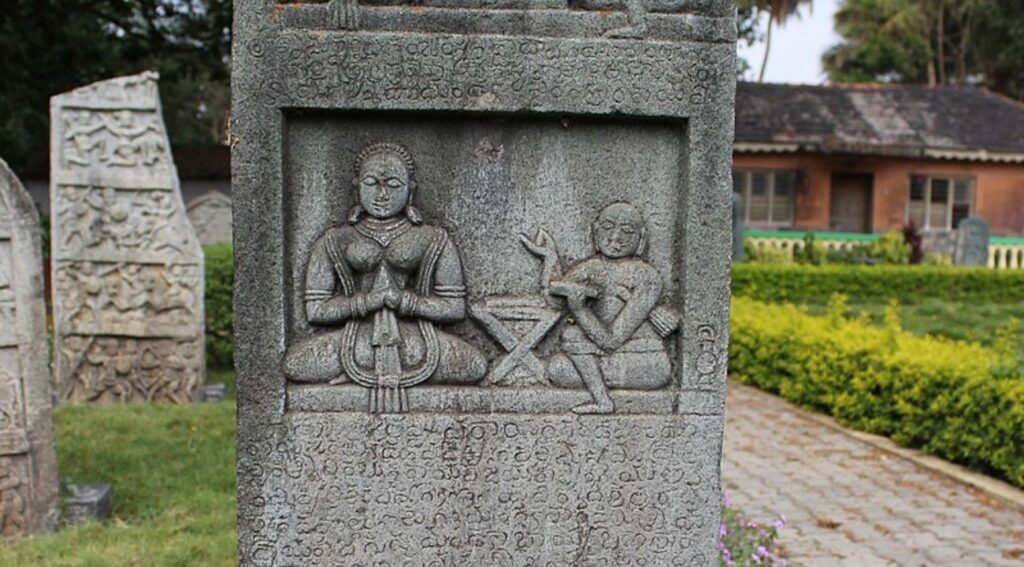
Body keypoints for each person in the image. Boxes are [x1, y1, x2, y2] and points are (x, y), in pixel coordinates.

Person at [285, 143, 486, 411]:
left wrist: (403, 301)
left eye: (393, 184)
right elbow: (316, 310)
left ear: (410, 189)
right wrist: (366, 302)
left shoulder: (433, 238)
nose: (382, 194)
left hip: (416, 341)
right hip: (355, 339)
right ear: (356, 187)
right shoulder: (335, 239)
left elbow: (455, 307)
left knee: (474, 365)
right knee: (294, 364)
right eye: (371, 183)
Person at [521, 202, 677, 414]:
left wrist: (580, 311)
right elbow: (556, 300)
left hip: (642, 360)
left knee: (573, 334)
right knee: (556, 368)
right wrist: (550, 258)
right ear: (595, 231)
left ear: (641, 240)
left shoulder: (646, 277)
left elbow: (612, 341)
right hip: (599, 357)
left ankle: (603, 401)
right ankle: (599, 392)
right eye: (608, 227)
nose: (615, 238)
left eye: (627, 232)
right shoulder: (592, 267)